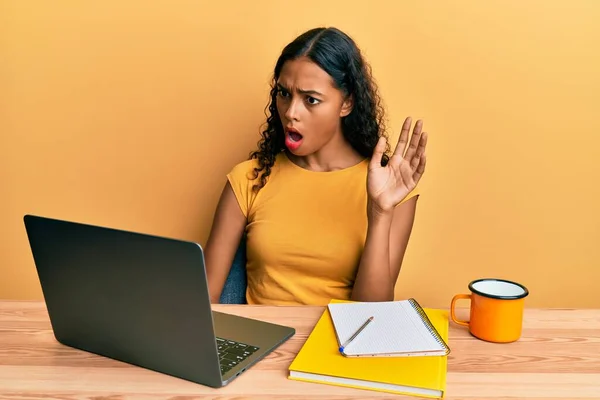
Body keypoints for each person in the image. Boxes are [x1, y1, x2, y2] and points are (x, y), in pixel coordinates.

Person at [204, 27, 428, 306]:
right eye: (284, 93)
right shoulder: (249, 178)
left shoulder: (392, 190)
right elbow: (203, 306)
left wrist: (380, 212)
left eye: (311, 99)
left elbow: (372, 316)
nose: (290, 112)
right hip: (265, 345)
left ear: (346, 103)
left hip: (340, 345)